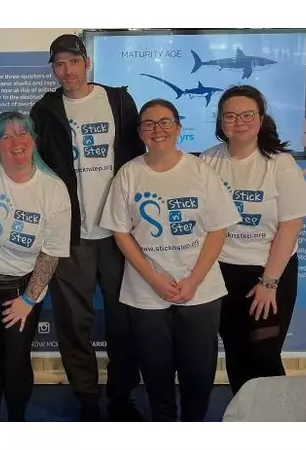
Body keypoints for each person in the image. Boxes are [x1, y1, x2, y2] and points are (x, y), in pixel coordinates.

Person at [101, 99, 241, 421]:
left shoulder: (200, 171)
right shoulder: (129, 174)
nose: (158, 130)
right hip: (146, 293)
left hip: (200, 291)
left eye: (165, 122)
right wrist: (154, 279)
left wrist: (193, 281)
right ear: (140, 132)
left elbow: (218, 229)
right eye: (149, 124)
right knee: (155, 372)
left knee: (198, 373)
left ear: (178, 128)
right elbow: (121, 233)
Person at [29, 33, 145, 421]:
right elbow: (30, 157)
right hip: (72, 236)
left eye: (73, 62)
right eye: (59, 65)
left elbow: (138, 162)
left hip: (118, 234)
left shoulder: (118, 101)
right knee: (73, 324)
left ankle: (121, 397)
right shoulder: (44, 110)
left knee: (123, 321)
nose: (67, 71)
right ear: (53, 69)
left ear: (87, 63)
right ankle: (87, 400)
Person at [200, 85, 306, 394]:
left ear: (261, 119)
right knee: (236, 352)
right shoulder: (207, 161)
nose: (239, 122)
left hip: (269, 273)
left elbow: (291, 226)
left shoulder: (279, 163)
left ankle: (275, 417)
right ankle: (245, 415)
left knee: (264, 355)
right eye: (230, 115)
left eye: (247, 115)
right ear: (220, 121)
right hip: (222, 273)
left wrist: (268, 283)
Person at [0, 111, 71, 421]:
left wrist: (28, 300)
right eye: (6, 137)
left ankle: (17, 420)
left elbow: (51, 253)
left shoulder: (53, 189)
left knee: (17, 359)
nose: (16, 141)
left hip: (23, 286)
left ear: (34, 139)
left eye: (22, 133)